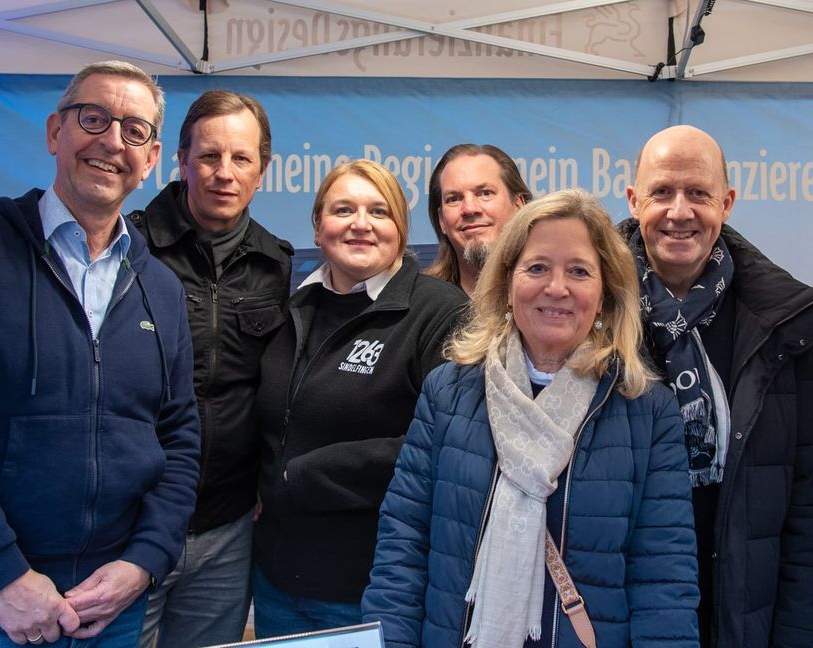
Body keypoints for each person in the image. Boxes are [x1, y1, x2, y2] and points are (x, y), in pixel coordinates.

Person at [0, 60, 200, 646]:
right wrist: (3, 574)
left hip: (111, 607)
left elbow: (179, 441)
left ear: (151, 160)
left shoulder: (161, 288)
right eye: (94, 118)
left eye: (134, 130)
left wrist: (144, 561)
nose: (111, 141)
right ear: (56, 132)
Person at [363, 188, 700, 648]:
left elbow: (665, 582)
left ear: (604, 295)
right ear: (507, 284)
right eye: (537, 267)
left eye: (579, 271)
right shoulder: (448, 392)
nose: (556, 288)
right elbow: (402, 550)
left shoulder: (647, 410)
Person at [619, 125, 813, 647]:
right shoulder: (590, 313)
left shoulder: (788, 325)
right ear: (632, 201)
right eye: (661, 193)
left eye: (698, 193)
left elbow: (811, 507)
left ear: (727, 203)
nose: (679, 211)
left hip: (747, 613)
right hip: (622, 611)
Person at [253, 160, 466, 637]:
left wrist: (301, 474)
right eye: (343, 209)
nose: (360, 224)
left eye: (379, 211)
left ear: (401, 228)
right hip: (276, 581)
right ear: (317, 224)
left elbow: (440, 448)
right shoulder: (292, 308)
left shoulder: (439, 312)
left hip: (371, 588)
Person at [129, 90, 293, 648]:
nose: (225, 173)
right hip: (129, 525)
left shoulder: (278, 264)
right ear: (179, 160)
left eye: (241, 159)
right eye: (209, 157)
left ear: (262, 170)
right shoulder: (126, 247)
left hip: (226, 531)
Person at [424, 143, 532, 295]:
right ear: (441, 220)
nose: (469, 209)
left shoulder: (550, 294)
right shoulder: (422, 304)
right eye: (454, 198)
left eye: (485, 193)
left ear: (519, 206)